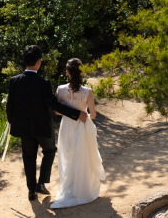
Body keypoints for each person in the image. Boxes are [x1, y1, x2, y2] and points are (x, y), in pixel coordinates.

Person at [6, 45, 88, 202]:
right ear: (38, 62)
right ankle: (41, 183)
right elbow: (54, 105)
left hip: (23, 128)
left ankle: (31, 190)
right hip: (42, 128)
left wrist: (11, 121)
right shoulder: (43, 83)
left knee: (28, 157)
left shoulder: (14, 81)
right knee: (50, 151)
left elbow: (10, 105)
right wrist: (77, 114)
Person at [50, 58, 106, 208]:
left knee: (68, 156)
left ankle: (70, 187)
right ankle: (82, 188)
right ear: (81, 73)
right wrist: (84, 114)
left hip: (67, 126)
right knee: (82, 156)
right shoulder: (87, 92)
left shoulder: (60, 90)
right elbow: (92, 115)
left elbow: (57, 111)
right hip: (82, 125)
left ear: (67, 72)